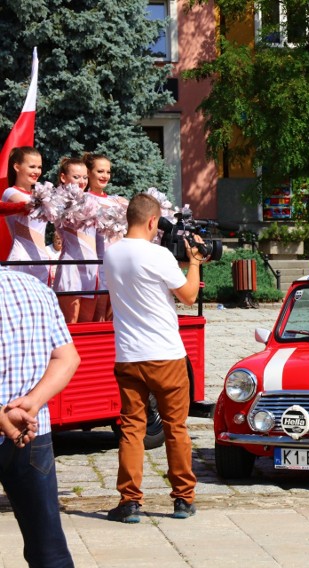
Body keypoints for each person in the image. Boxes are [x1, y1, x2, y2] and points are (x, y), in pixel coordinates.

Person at [104, 193, 209, 523]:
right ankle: (182, 499)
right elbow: (189, 296)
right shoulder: (159, 255)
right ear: (152, 221)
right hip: (165, 355)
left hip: (129, 355)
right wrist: (194, 262)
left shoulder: (111, 253)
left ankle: (129, 502)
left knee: (132, 429)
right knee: (175, 427)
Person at [0, 264, 81, 567]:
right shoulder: (36, 289)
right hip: (32, 431)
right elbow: (68, 357)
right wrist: (32, 403)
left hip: (18, 425)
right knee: (48, 546)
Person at [52, 157, 98, 324]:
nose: (82, 181)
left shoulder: (92, 200)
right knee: (70, 325)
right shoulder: (56, 201)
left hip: (91, 267)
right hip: (71, 266)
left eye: (85, 177)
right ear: (63, 178)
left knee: (87, 325)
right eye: (77, 177)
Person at [85, 153, 126, 322]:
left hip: (119, 263)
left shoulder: (117, 200)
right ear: (88, 172)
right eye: (100, 171)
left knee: (114, 316)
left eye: (108, 172)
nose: (105, 176)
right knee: (98, 317)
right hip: (98, 265)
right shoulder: (84, 199)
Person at [2, 146, 50, 284]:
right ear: (17, 167)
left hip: (42, 261)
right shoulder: (10, 192)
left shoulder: (41, 195)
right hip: (21, 261)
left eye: (39, 167)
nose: (37, 172)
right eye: (32, 167)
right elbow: (29, 205)